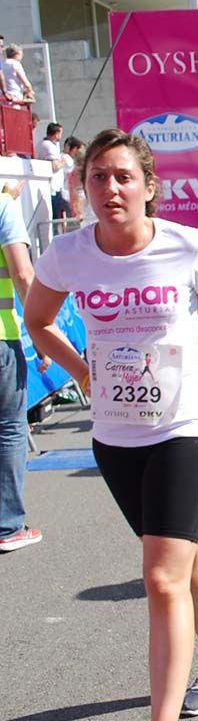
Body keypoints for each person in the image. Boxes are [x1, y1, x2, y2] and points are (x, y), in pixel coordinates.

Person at [23, 128, 198, 721]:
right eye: (96, 177)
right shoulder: (68, 253)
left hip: (186, 426)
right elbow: (37, 320)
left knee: (161, 575)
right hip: (115, 436)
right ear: (81, 187)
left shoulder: (187, 247)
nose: (109, 188)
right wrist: (85, 371)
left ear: (148, 187)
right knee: (182, 556)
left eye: (122, 177)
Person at [0, 184, 45, 553]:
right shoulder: (3, 205)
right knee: (10, 428)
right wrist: (43, 329)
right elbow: (23, 274)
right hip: (1, 335)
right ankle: (8, 525)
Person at [37, 122, 69, 221]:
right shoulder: (49, 146)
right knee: (56, 217)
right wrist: (64, 161)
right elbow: (55, 167)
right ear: (57, 133)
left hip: (53, 188)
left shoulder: (43, 144)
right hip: (52, 189)